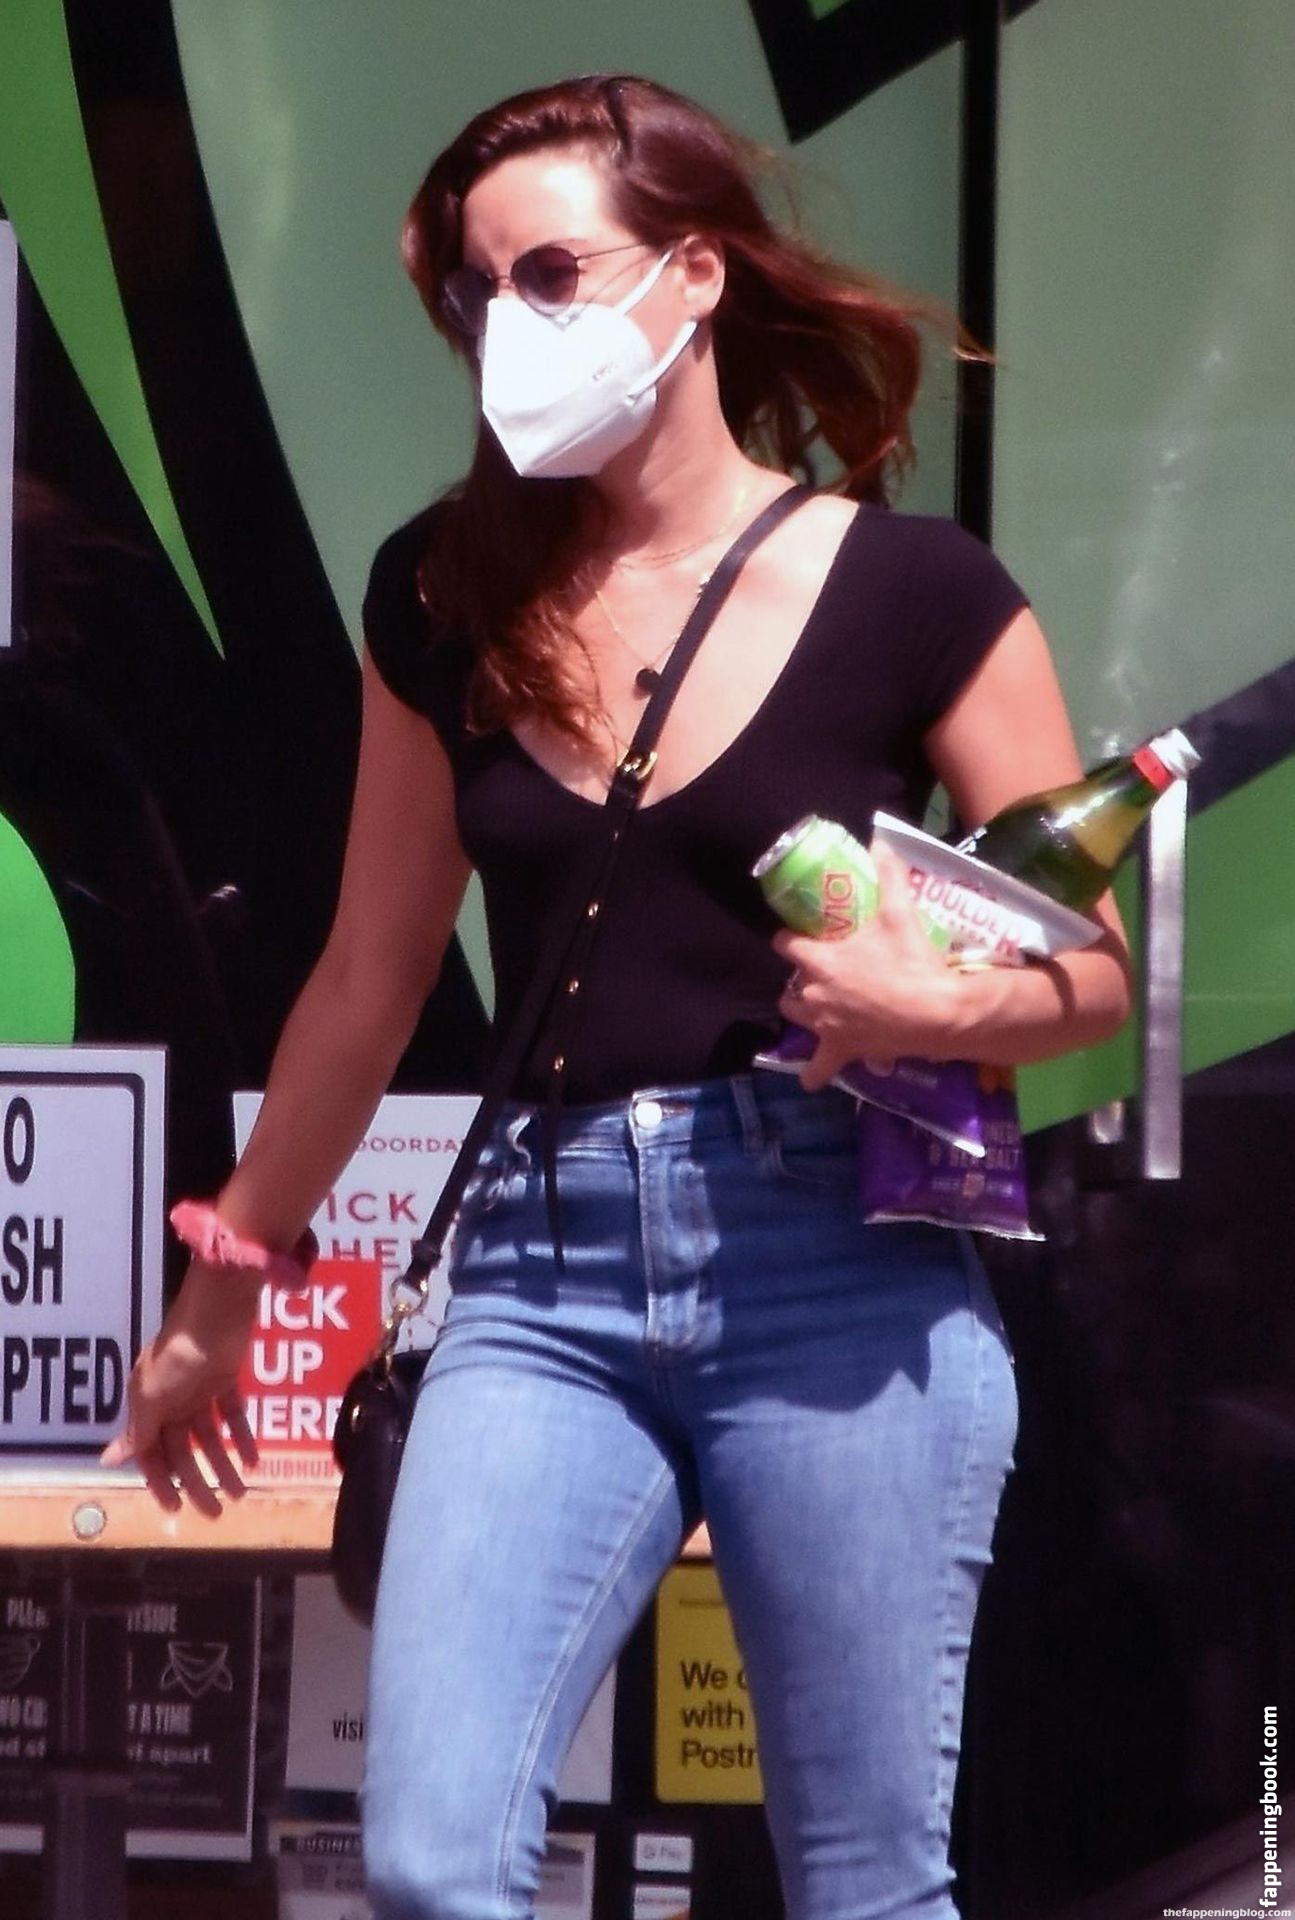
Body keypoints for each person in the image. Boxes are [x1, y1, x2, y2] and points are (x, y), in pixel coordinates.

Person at [100, 73, 1133, 1920]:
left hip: (832, 1254)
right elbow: (367, 976)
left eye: (552, 272)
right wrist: (220, 1291)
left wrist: (928, 1005)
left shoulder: (916, 591)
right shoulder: (445, 598)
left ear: (697, 273)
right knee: (431, 1857)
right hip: (540, 1267)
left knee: (866, 1880)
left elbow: (1093, 971)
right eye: (474, 291)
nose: (508, 323)